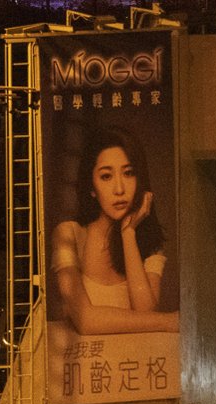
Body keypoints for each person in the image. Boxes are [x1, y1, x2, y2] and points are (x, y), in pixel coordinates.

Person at [51, 126, 179, 335]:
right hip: (79, 363)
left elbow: (146, 312)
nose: (119, 189)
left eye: (128, 174)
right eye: (106, 177)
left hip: (127, 363)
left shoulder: (149, 245)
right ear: (91, 186)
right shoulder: (69, 235)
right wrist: (169, 321)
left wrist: (128, 234)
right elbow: (85, 320)